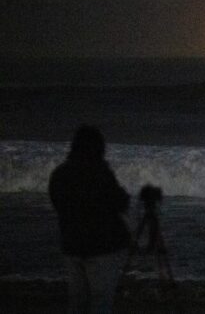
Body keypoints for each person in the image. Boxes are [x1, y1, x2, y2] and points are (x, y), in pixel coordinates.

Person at [49, 125, 131, 314]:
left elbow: (56, 202)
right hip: (101, 248)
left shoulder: (60, 174)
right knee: (101, 300)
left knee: (78, 301)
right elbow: (120, 201)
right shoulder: (99, 173)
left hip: (72, 245)